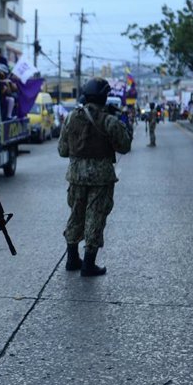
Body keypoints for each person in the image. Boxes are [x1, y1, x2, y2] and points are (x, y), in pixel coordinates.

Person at [58, 77, 132, 276]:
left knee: (76, 215)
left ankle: (72, 259)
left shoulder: (72, 117)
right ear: (104, 97)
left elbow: (62, 150)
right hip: (101, 177)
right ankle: (88, 264)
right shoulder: (109, 121)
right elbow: (125, 146)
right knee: (95, 217)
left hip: (75, 176)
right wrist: (126, 126)